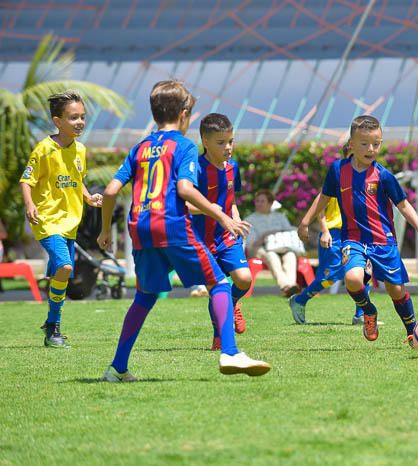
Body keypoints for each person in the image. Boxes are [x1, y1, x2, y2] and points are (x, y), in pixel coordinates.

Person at [97, 80, 270, 381]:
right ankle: (230, 352)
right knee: (221, 284)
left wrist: (104, 232)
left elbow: (111, 190)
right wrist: (221, 215)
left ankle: (117, 368)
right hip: (172, 226)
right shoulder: (184, 146)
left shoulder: (140, 148)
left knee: (145, 296)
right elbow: (185, 189)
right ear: (185, 113)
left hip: (140, 228)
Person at [298, 115, 418, 346]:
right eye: (365, 144)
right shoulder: (337, 171)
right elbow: (324, 197)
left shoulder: (384, 176)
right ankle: (368, 310)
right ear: (351, 144)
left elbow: (403, 205)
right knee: (352, 278)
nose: (371, 149)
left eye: (376, 143)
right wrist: (305, 221)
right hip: (353, 239)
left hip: (383, 241)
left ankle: (412, 331)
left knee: (396, 290)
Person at [19, 90, 103, 348]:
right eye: (73, 117)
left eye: (82, 117)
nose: (80, 122)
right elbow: (26, 179)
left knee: (61, 274)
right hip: (47, 221)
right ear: (58, 121)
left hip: (70, 223)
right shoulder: (44, 149)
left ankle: (51, 324)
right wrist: (30, 204)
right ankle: (53, 326)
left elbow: (78, 181)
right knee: (66, 268)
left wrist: (88, 198)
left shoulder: (80, 150)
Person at [190, 113, 250, 350]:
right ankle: (219, 337)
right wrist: (211, 210)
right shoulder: (195, 169)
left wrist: (235, 219)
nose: (228, 147)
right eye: (221, 142)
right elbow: (185, 204)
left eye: (231, 141)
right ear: (205, 141)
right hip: (202, 240)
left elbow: (231, 201)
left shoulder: (233, 168)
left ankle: (234, 303)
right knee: (216, 289)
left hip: (227, 236)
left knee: (244, 279)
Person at [289, 159, 369, 326]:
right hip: (334, 234)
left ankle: (361, 315)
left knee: (365, 273)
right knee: (330, 277)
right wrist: (325, 231)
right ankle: (300, 300)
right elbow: (320, 208)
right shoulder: (337, 179)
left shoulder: (365, 181)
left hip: (356, 234)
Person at [244, 189, 300, 297]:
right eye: (257, 201)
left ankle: (291, 285)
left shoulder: (280, 217)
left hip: (282, 247)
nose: (259, 204)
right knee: (271, 256)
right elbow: (251, 244)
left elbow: (289, 232)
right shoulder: (249, 220)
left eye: (262, 201)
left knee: (291, 255)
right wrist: (265, 236)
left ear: (270, 203)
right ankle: (285, 286)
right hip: (260, 249)